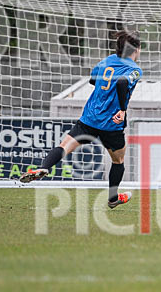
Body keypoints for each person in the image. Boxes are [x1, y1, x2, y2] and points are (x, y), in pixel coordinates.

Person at [20, 29, 143, 209]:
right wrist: (123, 110)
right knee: (118, 161)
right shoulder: (134, 69)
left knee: (64, 146)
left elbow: (93, 79)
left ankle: (44, 167)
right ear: (136, 49)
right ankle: (112, 198)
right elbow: (122, 82)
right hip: (111, 123)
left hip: (89, 117)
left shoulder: (106, 61)